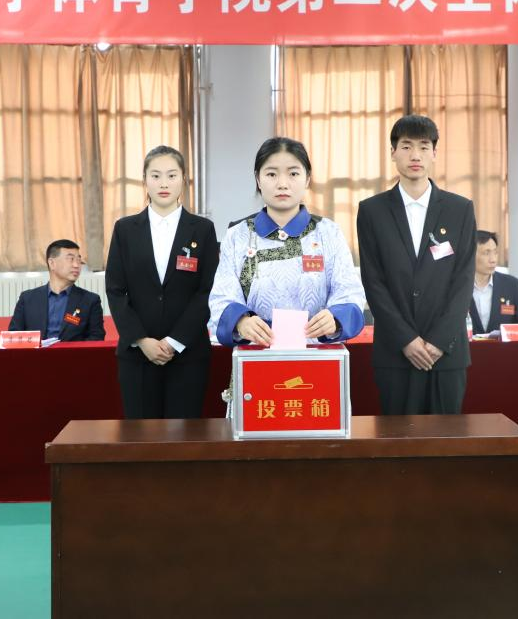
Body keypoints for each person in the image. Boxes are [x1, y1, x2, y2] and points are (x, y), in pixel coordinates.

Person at [357, 114, 477, 415]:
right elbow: (373, 282)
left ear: (434, 153)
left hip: (446, 354)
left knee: (445, 439)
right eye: (407, 146)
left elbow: (463, 280)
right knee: (398, 438)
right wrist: (406, 340)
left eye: (424, 147)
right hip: (395, 354)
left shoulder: (459, 209)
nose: (415, 155)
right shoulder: (372, 211)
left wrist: (438, 341)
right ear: (393, 152)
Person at [208, 137, 365, 348]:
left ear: (307, 179)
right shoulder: (237, 236)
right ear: (258, 179)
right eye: (271, 174)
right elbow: (221, 298)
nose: (282, 184)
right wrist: (241, 321)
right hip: (256, 353)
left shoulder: (328, 233)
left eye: (293, 174)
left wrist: (335, 318)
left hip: (317, 354)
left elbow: (350, 292)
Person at [105, 146, 220, 419]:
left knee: (183, 435)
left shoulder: (202, 229)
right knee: (141, 436)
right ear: (145, 181)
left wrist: (174, 341)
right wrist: (141, 340)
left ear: (184, 180)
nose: (164, 183)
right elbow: (116, 289)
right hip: (137, 355)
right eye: (155, 176)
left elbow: (208, 290)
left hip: (188, 354)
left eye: (171, 175)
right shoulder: (125, 229)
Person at [8, 239, 105, 341]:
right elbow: (13, 337)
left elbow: (96, 338)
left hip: (73, 351)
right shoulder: (27, 299)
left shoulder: (90, 300)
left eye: (79, 260)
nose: (76, 265)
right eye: (71, 259)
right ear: (52, 263)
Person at [470, 230, 518, 335]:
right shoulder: (457, 286)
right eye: (486, 253)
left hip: (502, 345)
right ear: (470, 255)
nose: (493, 260)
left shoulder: (510, 285)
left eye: (495, 252)